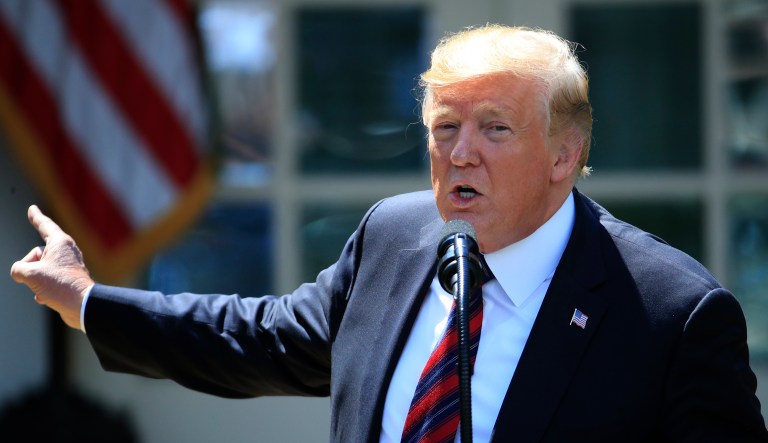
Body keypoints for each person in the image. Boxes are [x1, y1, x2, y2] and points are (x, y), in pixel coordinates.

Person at [10, 24, 768, 442]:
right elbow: (263, 337)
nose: (459, 151)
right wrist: (88, 301)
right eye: (445, 127)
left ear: (565, 155)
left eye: (494, 128)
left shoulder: (672, 313)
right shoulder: (397, 235)